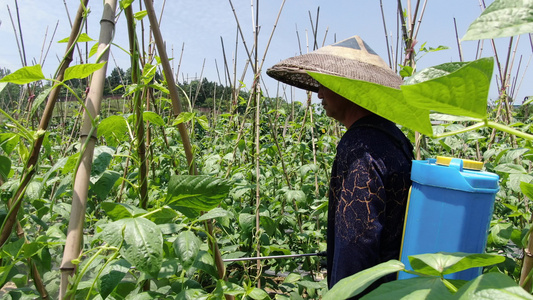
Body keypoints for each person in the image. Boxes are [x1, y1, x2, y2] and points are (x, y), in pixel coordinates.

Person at [267, 36, 413, 297]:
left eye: (326, 84)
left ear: (349, 87)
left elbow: (357, 244)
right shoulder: (393, 137)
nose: (319, 93)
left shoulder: (360, 147)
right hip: (395, 287)